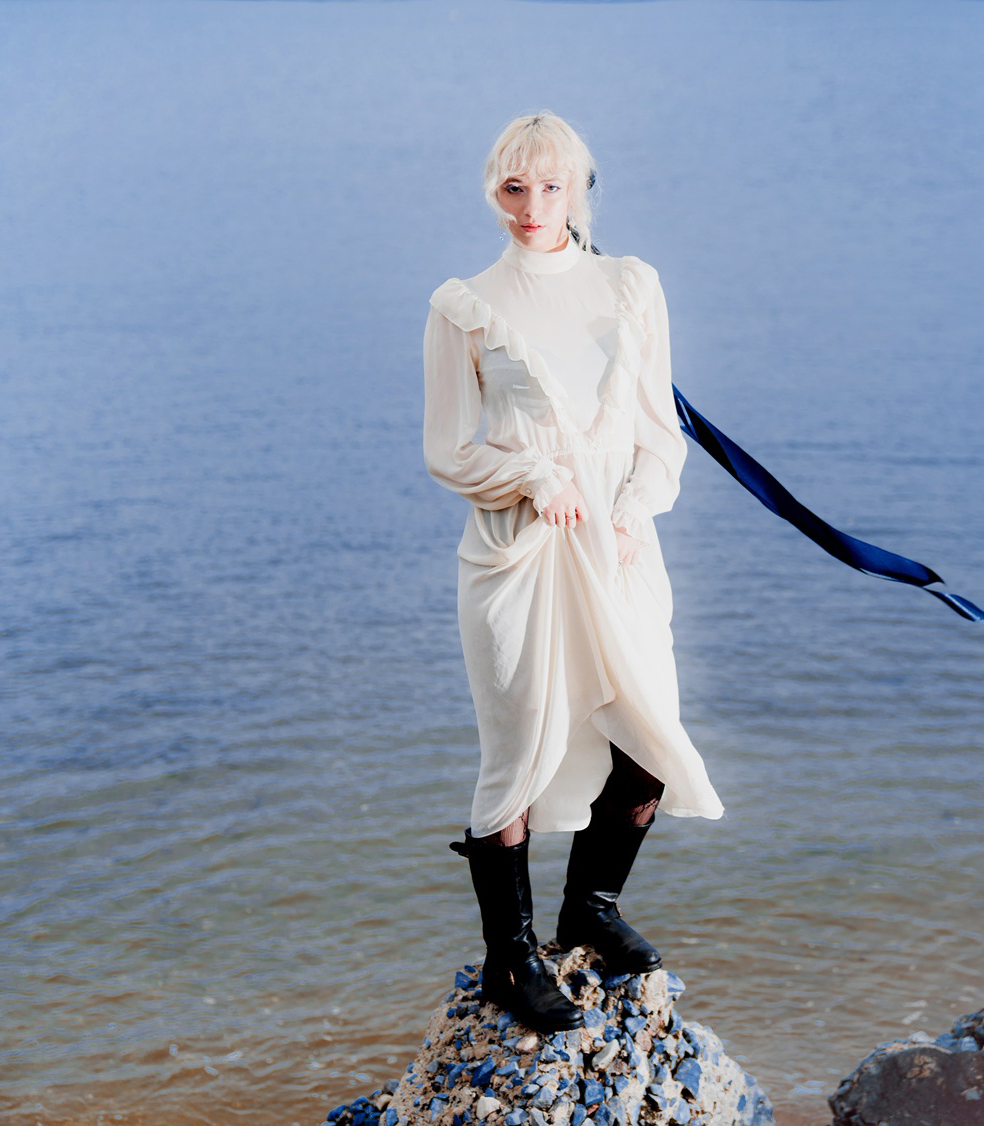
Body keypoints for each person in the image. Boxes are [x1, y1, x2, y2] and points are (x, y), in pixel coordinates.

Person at [423, 113, 724, 1033]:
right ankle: (510, 960)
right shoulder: (463, 306)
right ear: (494, 191)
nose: (532, 206)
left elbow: (658, 433)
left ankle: (589, 909)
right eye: (514, 188)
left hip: (620, 551)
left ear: (580, 190)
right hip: (516, 556)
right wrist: (535, 475)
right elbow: (447, 449)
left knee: (648, 744)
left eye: (550, 187)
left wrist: (631, 510)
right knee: (515, 753)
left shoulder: (631, 286)